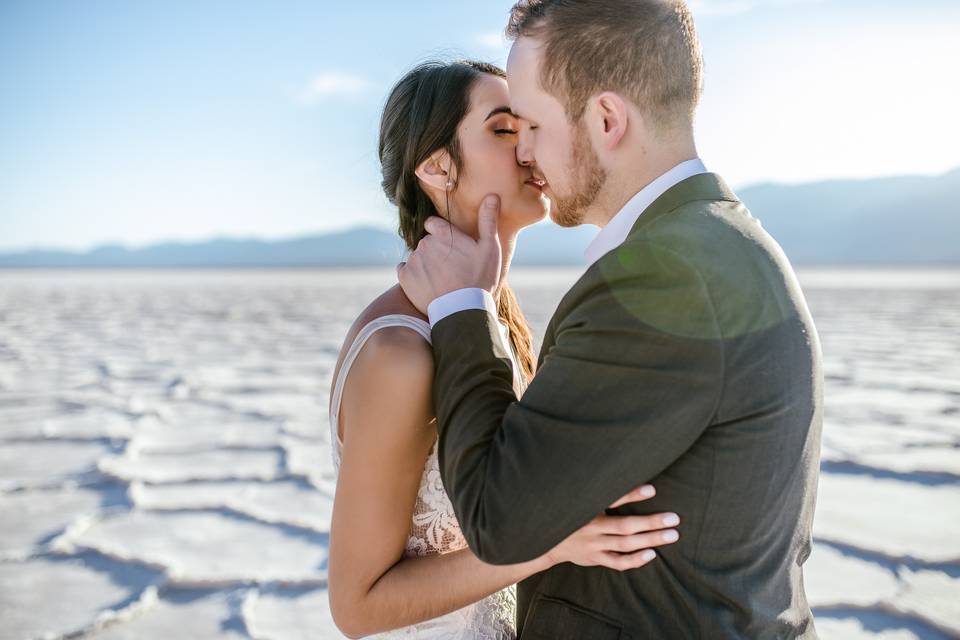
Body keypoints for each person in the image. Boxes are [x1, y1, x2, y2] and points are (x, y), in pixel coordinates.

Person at [397, 1, 824, 637]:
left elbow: (498, 520)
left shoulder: (668, 275)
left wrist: (462, 306)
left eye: (532, 125)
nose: (527, 152)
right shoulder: (717, 242)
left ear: (605, 119)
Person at [327, 59, 682, 639]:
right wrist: (548, 542)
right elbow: (357, 606)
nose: (528, 147)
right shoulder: (400, 353)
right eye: (502, 129)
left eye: (530, 126)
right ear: (438, 167)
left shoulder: (494, 317)